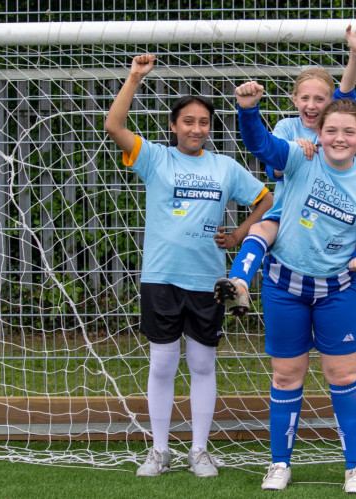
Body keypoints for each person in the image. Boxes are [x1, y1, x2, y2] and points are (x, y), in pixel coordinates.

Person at [104, 54, 273, 478]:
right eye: (188, 121)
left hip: (207, 280)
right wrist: (134, 77)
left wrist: (238, 235)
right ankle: (159, 451)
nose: (196, 129)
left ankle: (199, 450)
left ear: (210, 128)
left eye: (203, 122)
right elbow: (114, 126)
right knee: (162, 364)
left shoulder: (225, 167)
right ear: (174, 125)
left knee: (201, 365)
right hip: (161, 277)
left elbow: (266, 200)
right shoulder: (155, 159)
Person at [214, 13, 356, 315]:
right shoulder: (288, 130)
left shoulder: (344, 142)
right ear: (294, 100)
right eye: (305, 98)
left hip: (334, 222)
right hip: (289, 213)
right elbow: (269, 157)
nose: (312, 105)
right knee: (262, 229)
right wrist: (291, 147)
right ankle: (239, 284)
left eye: (320, 99)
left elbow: (345, 95)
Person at [231, 80, 356, 493]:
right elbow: (263, 147)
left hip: (338, 289)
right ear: (317, 134)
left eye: (348, 131)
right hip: (284, 285)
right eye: (331, 130)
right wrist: (248, 110)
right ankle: (279, 464)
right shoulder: (301, 160)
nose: (339, 138)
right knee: (287, 377)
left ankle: (355, 468)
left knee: (343, 375)